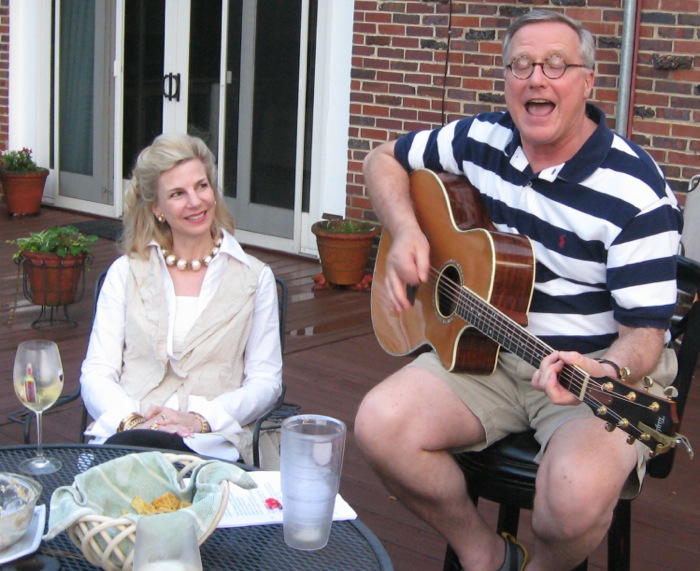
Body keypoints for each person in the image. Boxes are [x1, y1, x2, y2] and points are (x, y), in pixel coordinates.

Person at [355, 10, 682, 571]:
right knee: (379, 426)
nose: (537, 78)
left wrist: (607, 371)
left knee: (572, 501)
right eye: (522, 64)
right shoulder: (482, 137)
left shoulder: (637, 194)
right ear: (506, 78)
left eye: (557, 64)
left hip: (593, 368)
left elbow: (645, 333)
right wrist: (408, 231)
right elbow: (380, 158)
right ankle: (485, 554)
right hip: (486, 346)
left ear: (588, 81)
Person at [80, 133, 283, 468]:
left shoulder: (254, 278)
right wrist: (131, 422)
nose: (195, 201)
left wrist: (200, 419)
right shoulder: (126, 273)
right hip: (129, 441)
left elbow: (266, 382)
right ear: (157, 208)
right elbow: (97, 372)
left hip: (210, 445)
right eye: (177, 193)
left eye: (201, 186)